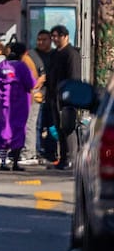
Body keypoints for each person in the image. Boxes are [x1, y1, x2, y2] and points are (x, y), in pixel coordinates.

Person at [0, 38, 36, 170]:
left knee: (3, 130)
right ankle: (15, 163)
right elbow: (31, 84)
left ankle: (3, 161)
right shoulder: (22, 67)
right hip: (20, 105)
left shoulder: (2, 65)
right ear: (23, 54)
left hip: (4, 104)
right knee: (19, 130)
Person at [40, 25, 78, 168]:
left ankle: (70, 158)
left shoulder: (71, 54)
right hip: (53, 96)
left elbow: (74, 76)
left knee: (68, 127)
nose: (55, 39)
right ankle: (62, 158)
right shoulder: (55, 54)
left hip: (67, 97)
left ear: (65, 37)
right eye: (53, 36)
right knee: (59, 128)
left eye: (57, 36)